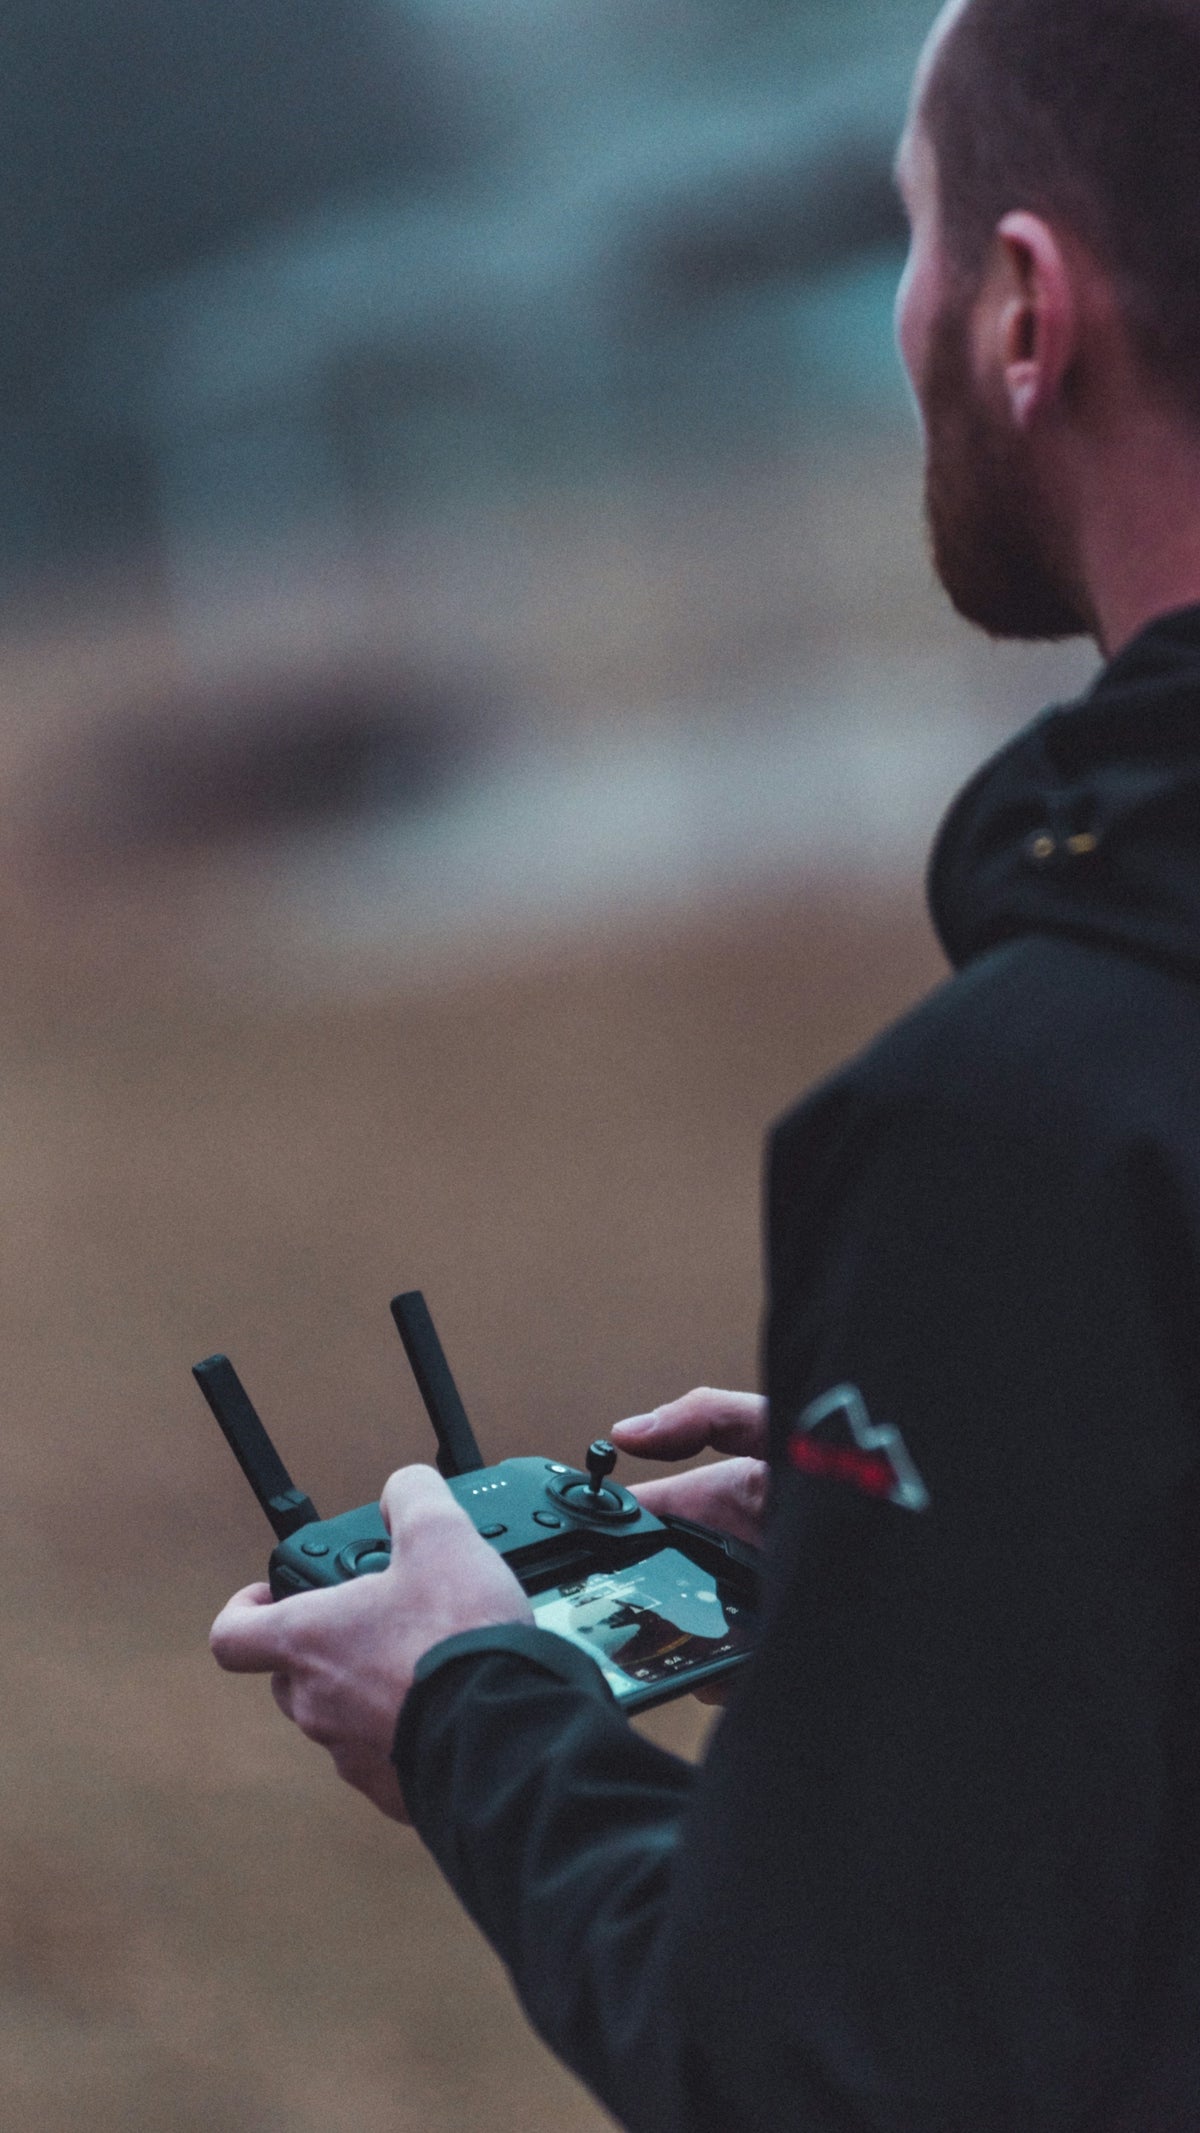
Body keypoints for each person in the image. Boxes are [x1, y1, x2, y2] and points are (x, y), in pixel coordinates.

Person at [210, 1, 1200, 2124]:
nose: (909, 300)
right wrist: (1007, 1518)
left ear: (1024, 307)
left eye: (913, 236)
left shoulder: (1024, 1115)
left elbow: (824, 2067)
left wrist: (475, 1712)